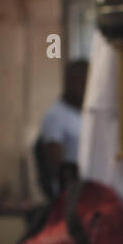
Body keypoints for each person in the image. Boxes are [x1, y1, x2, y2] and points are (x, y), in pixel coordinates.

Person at [36, 59, 88, 200]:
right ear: (70, 82)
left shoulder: (84, 115)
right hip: (70, 192)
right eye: (83, 83)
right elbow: (56, 168)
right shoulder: (56, 116)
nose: (86, 89)